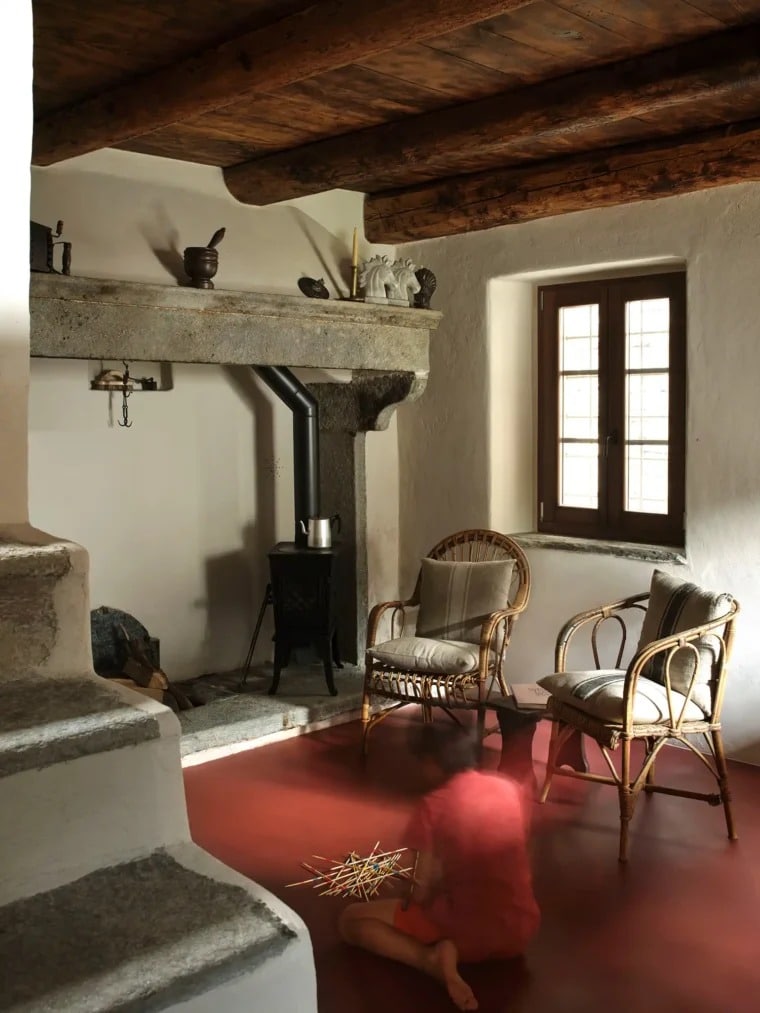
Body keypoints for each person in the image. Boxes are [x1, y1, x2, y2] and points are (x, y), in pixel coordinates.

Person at [338, 722, 540, 1011]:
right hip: (520, 931)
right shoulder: (509, 788)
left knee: (350, 920)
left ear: (431, 764)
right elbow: (523, 855)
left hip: (466, 935)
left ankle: (428, 960)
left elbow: (419, 891)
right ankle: (446, 950)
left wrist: (401, 885)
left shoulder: (433, 805)